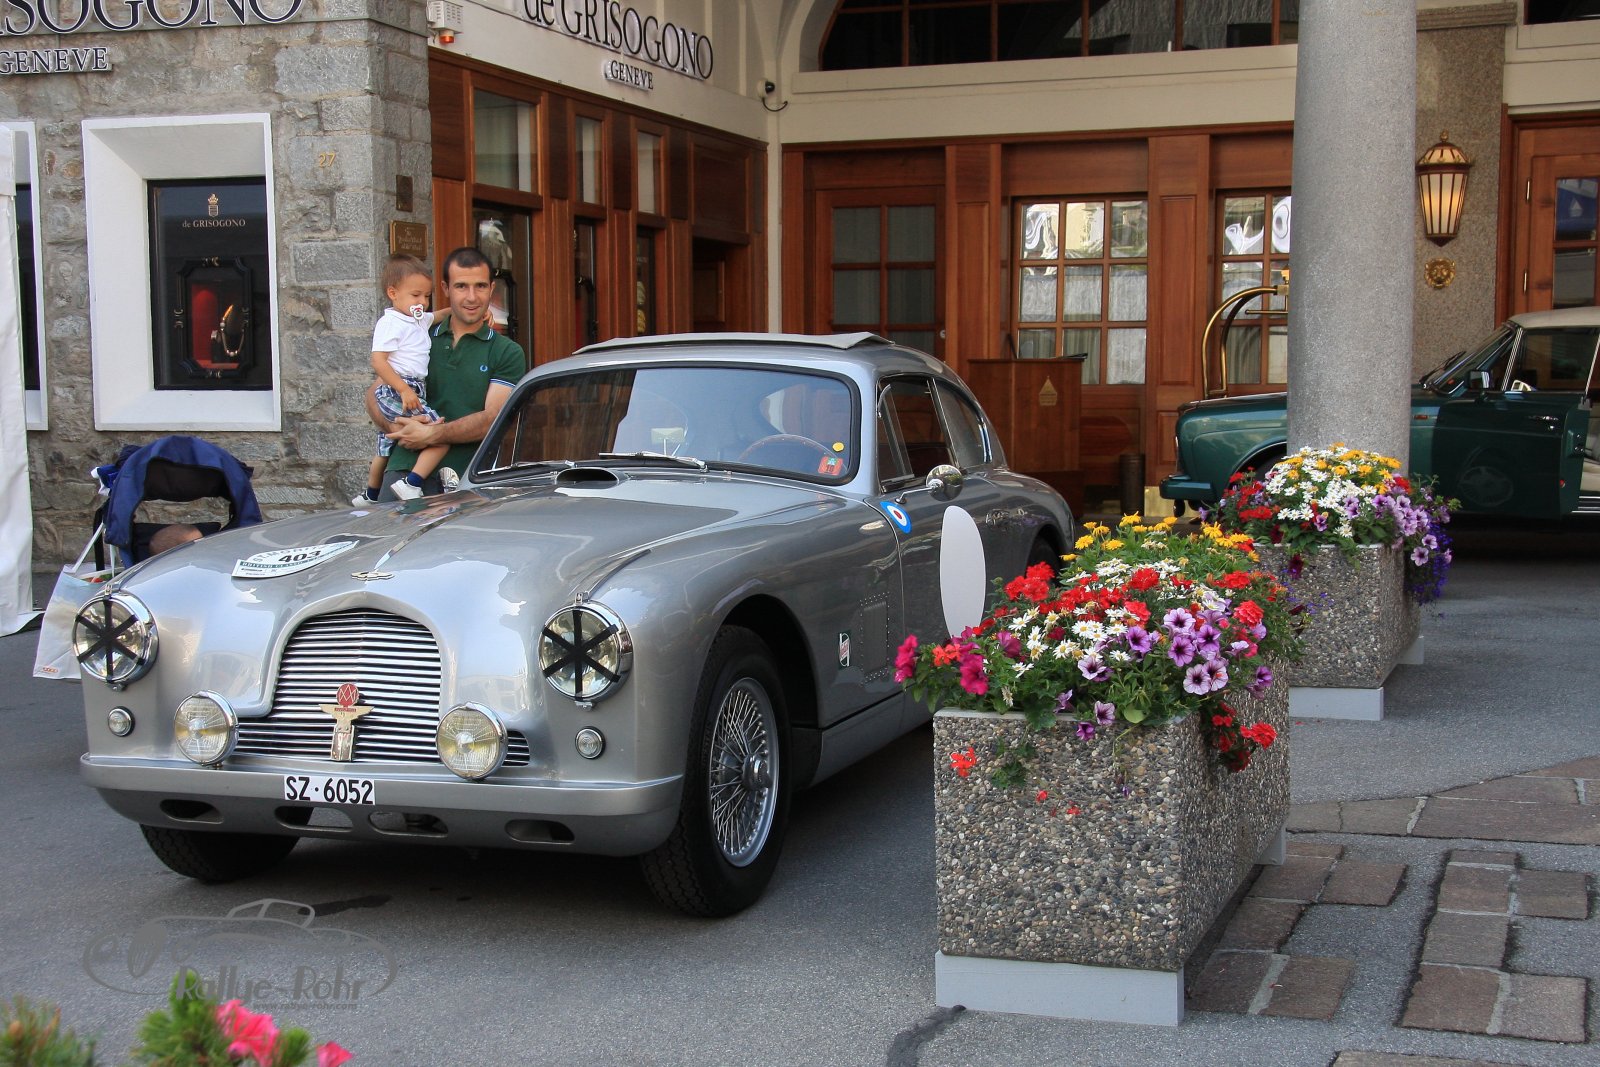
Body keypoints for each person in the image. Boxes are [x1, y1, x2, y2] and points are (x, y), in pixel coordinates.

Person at [364, 247, 526, 501]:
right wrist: (399, 428)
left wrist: (431, 434)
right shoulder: (418, 333)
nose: (471, 297)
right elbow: (375, 394)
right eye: (461, 286)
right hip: (402, 471)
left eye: (480, 286)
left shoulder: (506, 351)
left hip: (467, 480)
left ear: (491, 289)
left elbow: (493, 418)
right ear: (445, 288)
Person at [352, 255, 451, 504]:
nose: (423, 302)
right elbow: (378, 361)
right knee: (440, 434)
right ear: (393, 293)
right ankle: (412, 483)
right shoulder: (390, 323)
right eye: (416, 295)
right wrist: (404, 390)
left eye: (427, 296)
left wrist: (473, 312)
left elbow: (440, 315)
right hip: (399, 387)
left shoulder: (418, 319)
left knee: (385, 444)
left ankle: (370, 495)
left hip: (409, 387)